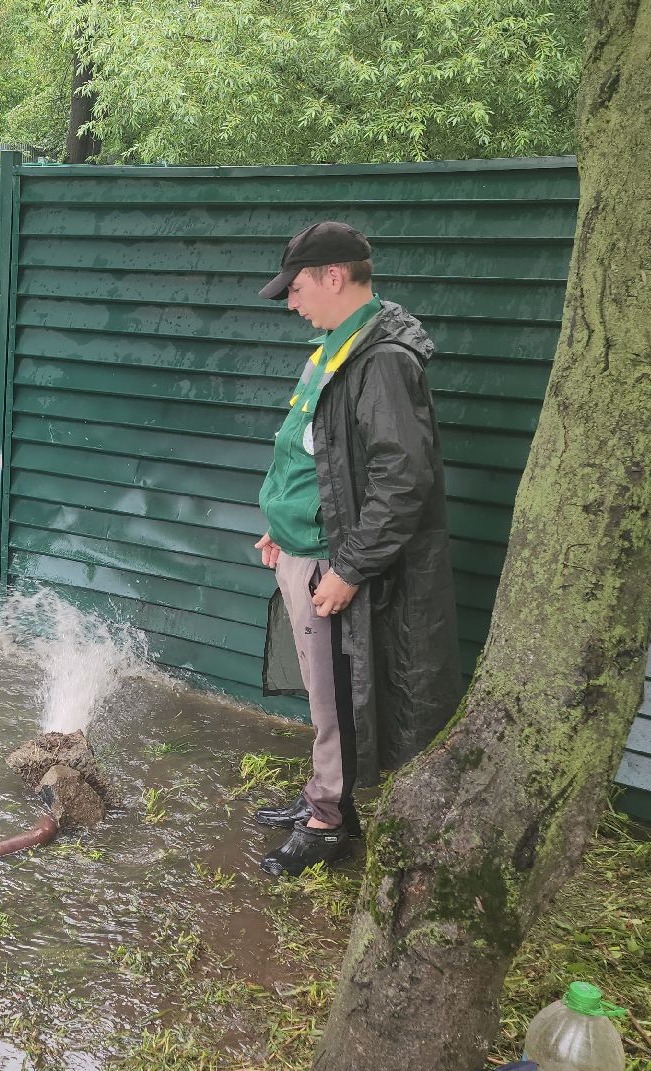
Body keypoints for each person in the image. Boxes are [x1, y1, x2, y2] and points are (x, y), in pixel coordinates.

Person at [250, 221, 463, 877]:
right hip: (300, 547)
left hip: (332, 561)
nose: (291, 302)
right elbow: (310, 455)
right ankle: (325, 792)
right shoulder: (335, 349)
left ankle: (328, 824)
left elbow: (404, 479)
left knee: (336, 697)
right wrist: (279, 526)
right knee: (324, 694)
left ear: (334, 277)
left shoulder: (382, 362)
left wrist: (349, 567)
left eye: (297, 288)